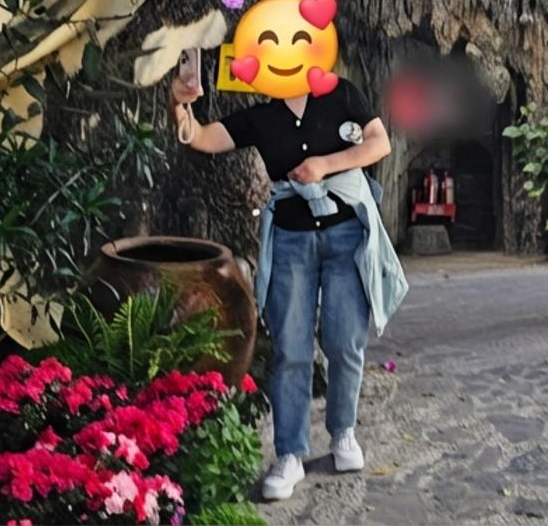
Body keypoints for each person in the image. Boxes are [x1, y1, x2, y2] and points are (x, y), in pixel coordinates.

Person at [172, 55, 403, 501]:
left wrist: (324, 164)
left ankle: (343, 433)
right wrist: (180, 105)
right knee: (291, 349)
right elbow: (200, 137)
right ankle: (290, 455)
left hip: (346, 235)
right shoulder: (262, 116)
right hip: (292, 243)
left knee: (344, 341)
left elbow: (378, 144)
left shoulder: (341, 93)